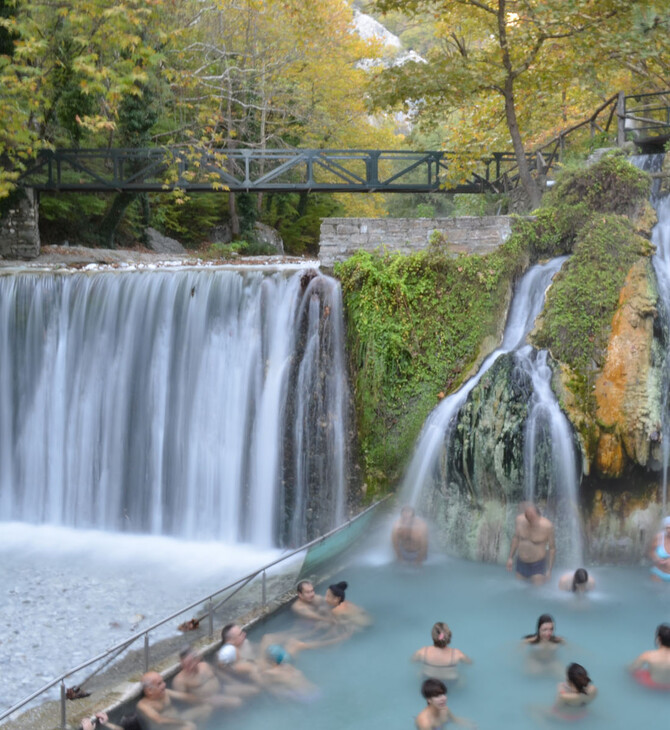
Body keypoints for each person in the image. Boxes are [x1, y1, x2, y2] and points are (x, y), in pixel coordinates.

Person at [172, 646, 245, 708]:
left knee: (252, 690)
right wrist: (206, 700)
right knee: (237, 702)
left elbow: (219, 674)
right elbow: (184, 702)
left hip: (222, 690)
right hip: (206, 701)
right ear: (181, 663)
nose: (188, 667)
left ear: (196, 660)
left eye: (190, 663)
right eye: (185, 665)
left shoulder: (204, 665)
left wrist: (233, 682)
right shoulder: (179, 680)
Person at [136, 671, 211, 730]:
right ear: (149, 691)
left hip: (177, 719)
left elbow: (184, 696)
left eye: (163, 681)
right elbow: (159, 720)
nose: (164, 685)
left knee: (206, 708)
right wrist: (184, 723)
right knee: (189, 728)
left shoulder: (165, 692)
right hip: (164, 728)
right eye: (159, 684)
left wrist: (205, 700)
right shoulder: (143, 705)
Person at [506, 502, 555, 585]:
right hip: (521, 563)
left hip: (538, 565)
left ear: (538, 516)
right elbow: (516, 538)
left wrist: (549, 570)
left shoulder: (547, 526)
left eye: (532, 518)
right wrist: (510, 557)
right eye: (528, 518)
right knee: (519, 588)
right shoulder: (520, 520)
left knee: (537, 592)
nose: (530, 521)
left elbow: (552, 548)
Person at [629, 623, 670, 687]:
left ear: (658, 639)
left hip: (652, 685)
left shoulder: (648, 655)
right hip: (668, 688)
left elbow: (632, 669)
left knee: (640, 672)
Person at [648, 516, 670, 582]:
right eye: (668, 528)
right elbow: (651, 551)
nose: (669, 530)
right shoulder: (659, 537)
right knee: (657, 591)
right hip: (658, 574)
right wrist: (657, 558)